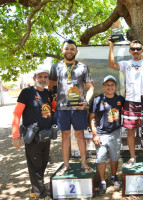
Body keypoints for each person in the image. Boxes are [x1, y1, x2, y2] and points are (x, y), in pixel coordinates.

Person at [108, 39, 143, 168]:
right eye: (133, 49)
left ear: (142, 50)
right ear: (130, 51)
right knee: (130, 132)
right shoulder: (126, 63)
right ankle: (132, 158)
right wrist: (111, 46)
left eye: (138, 49)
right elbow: (112, 65)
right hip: (130, 102)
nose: (136, 51)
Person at [48, 38, 94, 175]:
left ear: (76, 51)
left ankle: (84, 163)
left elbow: (90, 87)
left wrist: (86, 101)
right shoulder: (55, 67)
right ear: (62, 50)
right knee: (65, 135)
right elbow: (51, 86)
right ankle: (66, 165)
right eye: (67, 48)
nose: (69, 51)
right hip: (62, 108)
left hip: (78, 108)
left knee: (80, 135)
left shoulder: (83, 67)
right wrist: (54, 100)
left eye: (72, 49)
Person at [12, 67, 53, 199]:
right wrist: (15, 136)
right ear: (34, 78)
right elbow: (17, 113)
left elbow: (55, 107)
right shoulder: (27, 92)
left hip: (46, 136)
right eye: (40, 77)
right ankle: (42, 195)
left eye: (45, 77)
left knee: (43, 164)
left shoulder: (48, 94)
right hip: (32, 137)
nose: (43, 79)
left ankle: (35, 191)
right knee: (35, 167)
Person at [89, 75, 125, 195]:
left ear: (116, 86)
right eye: (107, 85)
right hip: (101, 133)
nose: (110, 87)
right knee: (101, 158)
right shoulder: (97, 99)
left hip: (116, 132)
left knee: (115, 157)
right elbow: (91, 118)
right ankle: (103, 182)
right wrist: (94, 134)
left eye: (112, 85)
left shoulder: (120, 99)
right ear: (103, 86)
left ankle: (114, 177)